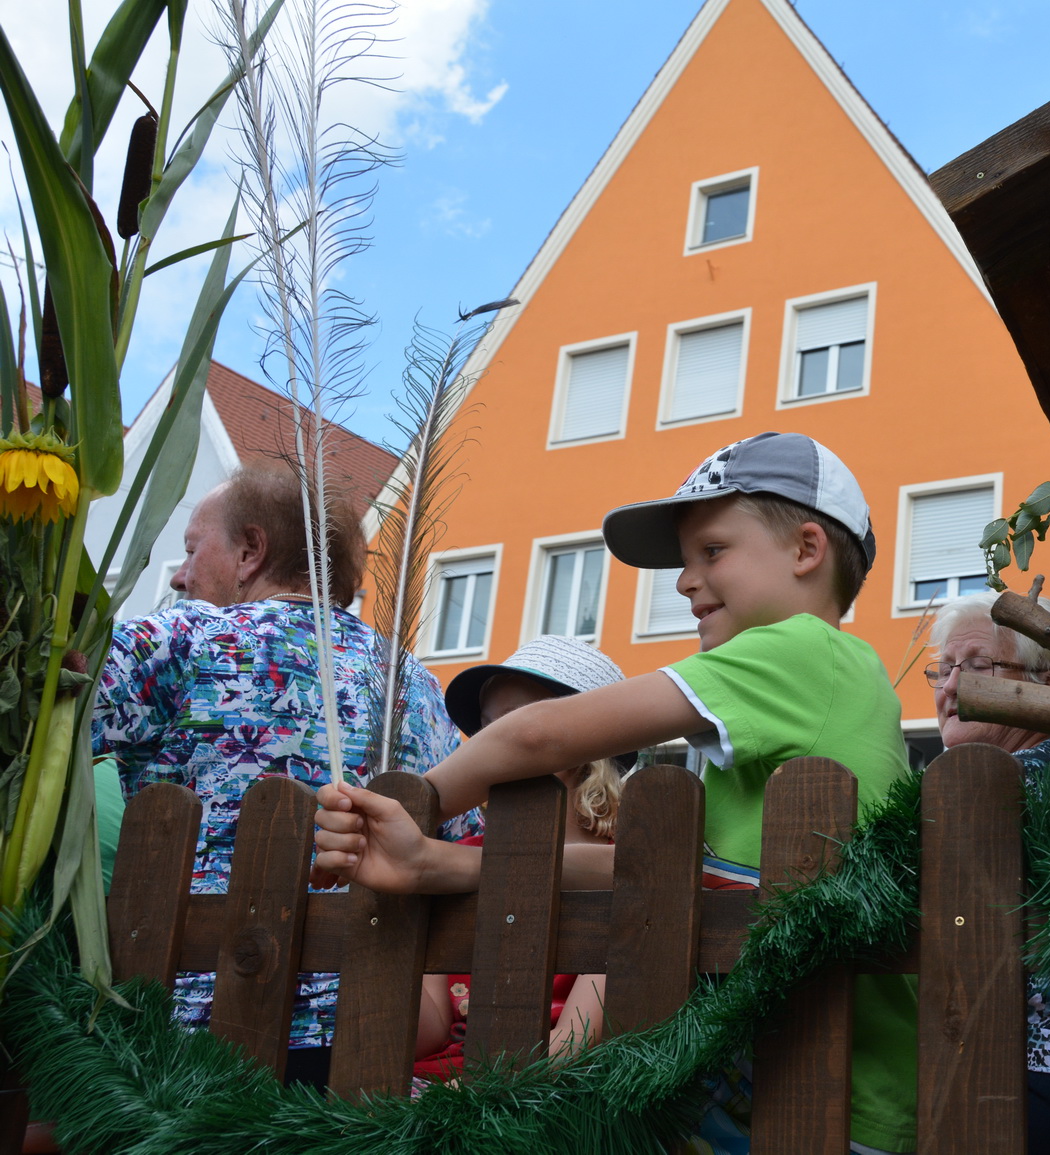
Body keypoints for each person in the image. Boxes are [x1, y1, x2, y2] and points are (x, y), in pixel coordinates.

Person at [313, 432, 918, 1155]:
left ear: (806, 549)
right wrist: (433, 864)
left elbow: (541, 736)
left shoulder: (803, 652)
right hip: (788, 1090)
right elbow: (660, 873)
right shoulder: (801, 708)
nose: (686, 581)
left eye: (713, 551)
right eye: (686, 561)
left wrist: (421, 801)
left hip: (827, 1100)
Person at [92, 462, 480, 1090]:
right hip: (368, 1046)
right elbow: (461, 840)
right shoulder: (413, 684)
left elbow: (41, 715)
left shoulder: (182, 643)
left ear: (250, 550)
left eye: (193, 551)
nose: (183, 576)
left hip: (184, 1052)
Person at [414, 635, 630, 1081]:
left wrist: (467, 1096)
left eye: (513, 727)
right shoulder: (451, 862)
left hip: (539, 1097)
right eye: (485, 729)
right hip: (431, 1085)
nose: (489, 745)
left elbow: (575, 1044)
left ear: (585, 747)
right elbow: (429, 1030)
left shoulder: (624, 873)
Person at [926, 592, 1050, 1155]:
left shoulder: (1024, 782)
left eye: (975, 669)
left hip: (1031, 1078)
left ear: (1047, 687)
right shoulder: (1031, 773)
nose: (949, 691)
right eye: (943, 671)